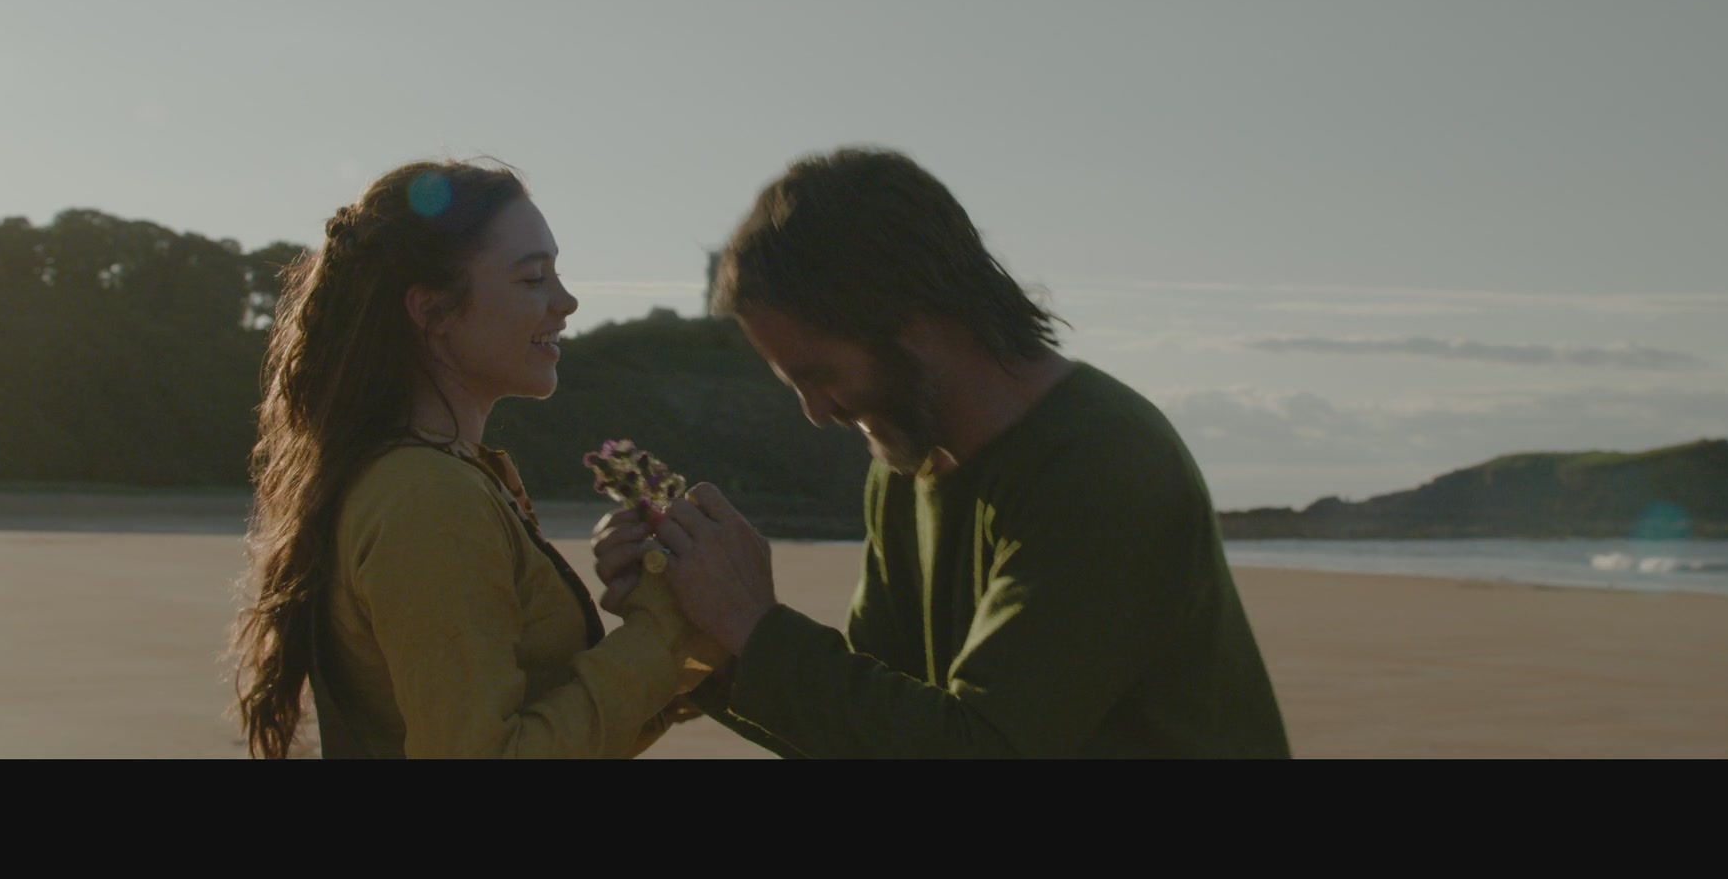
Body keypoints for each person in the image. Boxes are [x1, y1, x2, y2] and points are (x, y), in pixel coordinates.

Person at [594, 147, 1291, 758]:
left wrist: (754, 626)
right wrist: (704, 640)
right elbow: (874, 732)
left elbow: (985, 747)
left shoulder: (1102, 465)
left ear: (914, 321)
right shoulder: (906, 469)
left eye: (820, 374)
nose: (817, 412)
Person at [233, 159, 719, 759]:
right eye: (533, 278)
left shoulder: (423, 477)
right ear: (432, 310)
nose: (566, 301)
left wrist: (686, 630)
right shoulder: (428, 497)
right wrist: (667, 629)